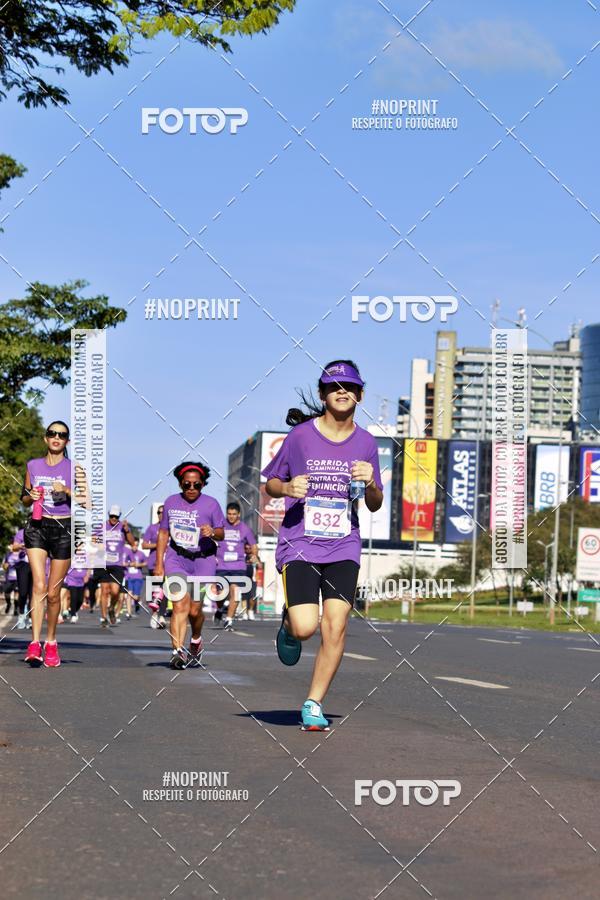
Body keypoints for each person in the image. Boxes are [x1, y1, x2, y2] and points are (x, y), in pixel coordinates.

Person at [262, 360, 383, 731]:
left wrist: (372, 483)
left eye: (349, 386)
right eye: (334, 387)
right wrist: (287, 488)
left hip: (343, 545)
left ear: (359, 395)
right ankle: (288, 624)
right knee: (305, 628)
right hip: (300, 542)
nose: (341, 391)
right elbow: (270, 483)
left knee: (337, 624)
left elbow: (375, 502)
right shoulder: (300, 436)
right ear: (322, 394)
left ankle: (314, 702)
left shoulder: (366, 442)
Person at [21, 420, 86, 667]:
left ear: (67, 441)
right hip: (37, 527)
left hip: (63, 529)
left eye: (62, 435)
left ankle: (51, 642)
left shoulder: (75, 468)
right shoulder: (33, 465)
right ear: (45, 438)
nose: (56, 437)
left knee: (53, 592)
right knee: (37, 585)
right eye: (52, 433)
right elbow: (25, 498)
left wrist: (68, 491)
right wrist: (31, 496)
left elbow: (88, 500)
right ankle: (34, 643)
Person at [154, 463, 225, 669]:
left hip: (203, 560)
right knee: (179, 604)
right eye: (187, 485)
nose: (192, 489)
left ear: (203, 484)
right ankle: (177, 652)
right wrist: (159, 563)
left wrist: (212, 532)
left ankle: (196, 639)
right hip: (177, 557)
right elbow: (163, 533)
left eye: (196, 485)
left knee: (195, 611)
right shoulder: (171, 502)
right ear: (180, 483)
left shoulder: (211, 504)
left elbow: (222, 532)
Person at [214, 502, 257, 629]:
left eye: (234, 514)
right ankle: (220, 608)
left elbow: (253, 545)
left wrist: (254, 555)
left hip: (238, 567)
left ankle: (229, 620)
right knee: (221, 594)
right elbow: (211, 539)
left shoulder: (245, 529)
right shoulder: (221, 526)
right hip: (221, 565)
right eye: (229, 514)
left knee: (235, 592)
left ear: (239, 514)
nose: (231, 516)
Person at [95, 505, 136, 627]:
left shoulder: (122, 528)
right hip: (103, 563)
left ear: (119, 516)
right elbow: (93, 539)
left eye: (116, 517)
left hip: (117, 564)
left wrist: (127, 530)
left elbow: (132, 542)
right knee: (104, 591)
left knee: (115, 591)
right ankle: (103, 618)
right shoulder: (103, 526)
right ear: (109, 515)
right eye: (111, 516)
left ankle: (111, 608)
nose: (113, 518)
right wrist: (99, 545)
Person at [142, 505, 166, 629]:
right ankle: (155, 614)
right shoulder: (152, 528)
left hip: (168, 563)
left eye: (163, 512)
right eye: (159, 512)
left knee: (165, 590)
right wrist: (159, 544)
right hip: (154, 564)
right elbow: (144, 545)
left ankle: (161, 615)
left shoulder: (171, 528)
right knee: (156, 591)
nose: (161, 514)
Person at [11, 528, 32, 629]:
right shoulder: (21, 533)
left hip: (37, 565)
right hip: (23, 564)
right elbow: (14, 547)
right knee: (23, 592)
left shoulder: (41, 531)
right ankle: (21, 615)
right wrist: (21, 545)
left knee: (34, 594)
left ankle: (32, 619)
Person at [123, 539, 145, 618]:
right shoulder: (127, 553)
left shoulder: (141, 554)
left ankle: (137, 603)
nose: (134, 547)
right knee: (129, 595)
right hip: (129, 577)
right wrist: (130, 564)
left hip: (138, 577)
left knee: (136, 597)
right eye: (133, 545)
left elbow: (146, 563)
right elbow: (122, 563)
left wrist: (139, 564)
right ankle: (129, 613)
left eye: (136, 545)